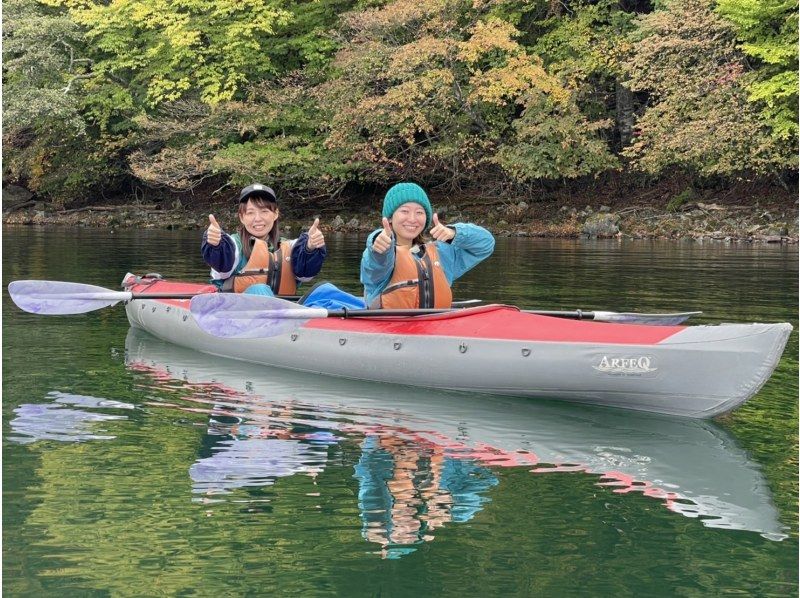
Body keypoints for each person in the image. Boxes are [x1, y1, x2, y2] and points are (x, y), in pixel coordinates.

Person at [360, 182, 495, 308]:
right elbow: (375, 264)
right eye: (404, 211)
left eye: (419, 212)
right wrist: (378, 242)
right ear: (389, 218)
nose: (412, 219)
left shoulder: (441, 253)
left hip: (435, 326)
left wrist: (454, 233)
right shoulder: (379, 254)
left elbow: (486, 244)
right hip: (389, 327)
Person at [201, 183, 327, 296]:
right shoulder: (233, 246)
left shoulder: (290, 247)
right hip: (234, 311)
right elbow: (223, 263)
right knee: (260, 290)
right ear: (241, 217)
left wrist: (310, 247)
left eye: (264, 211)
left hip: (281, 311)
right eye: (250, 212)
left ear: (275, 214)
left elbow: (305, 275)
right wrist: (216, 244)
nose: (258, 218)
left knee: (326, 289)